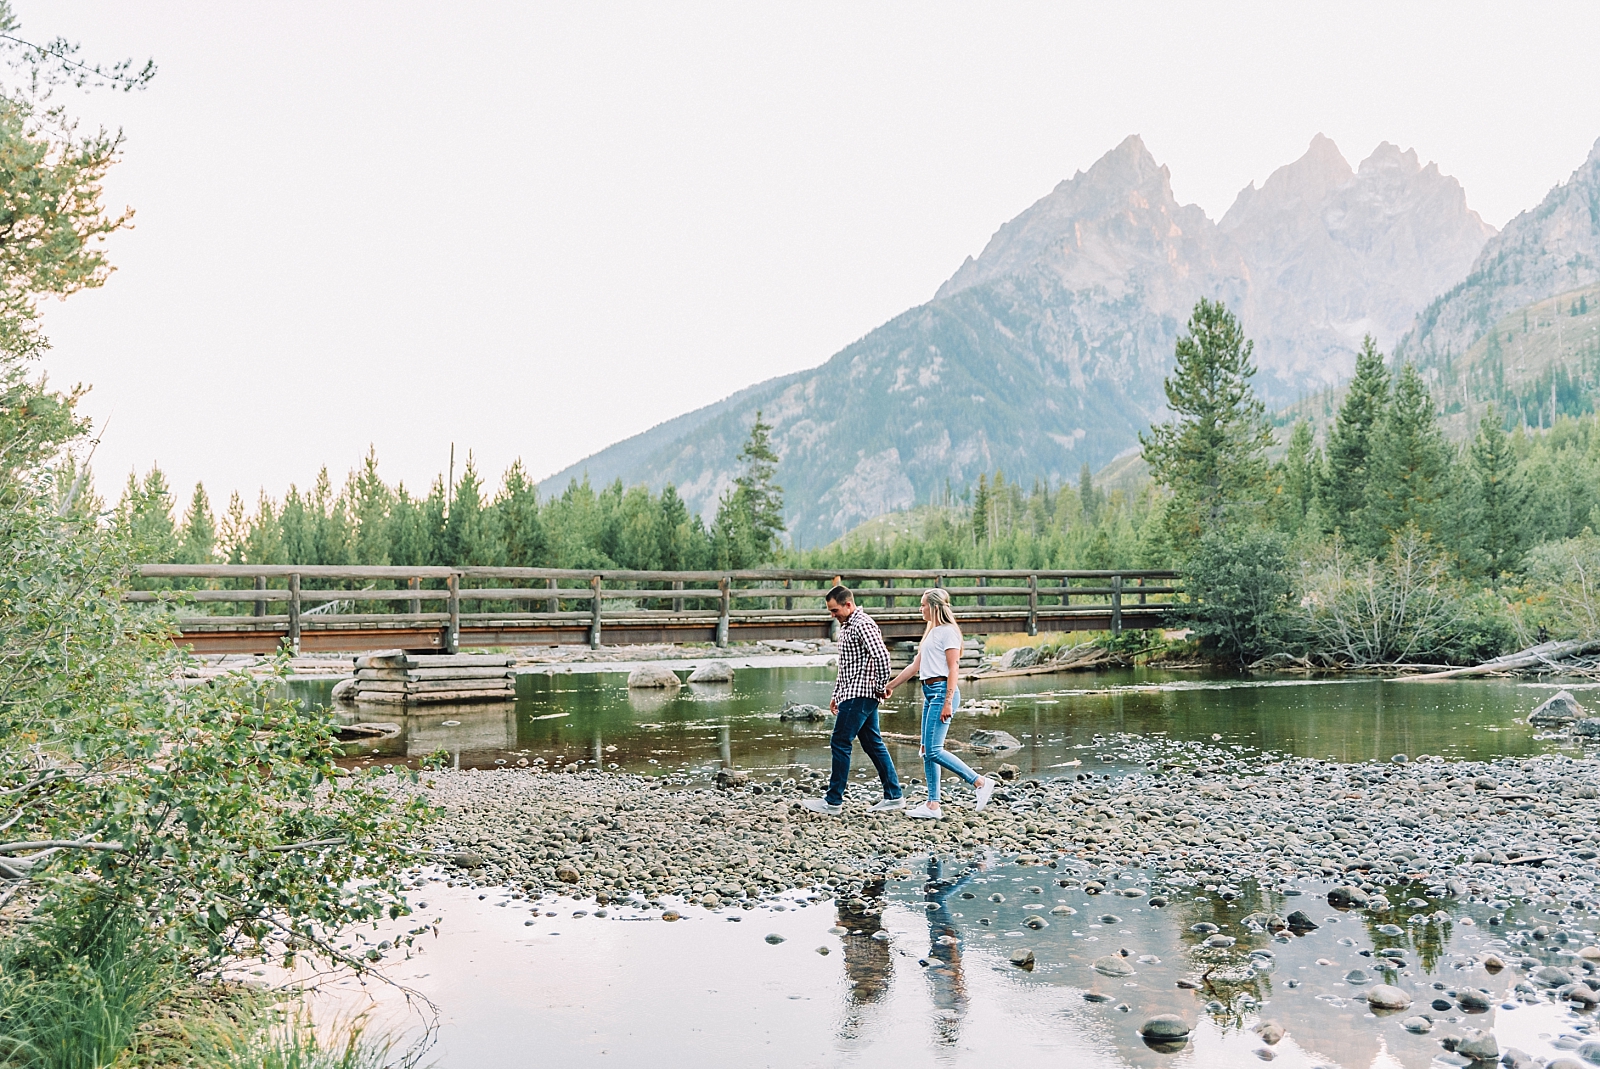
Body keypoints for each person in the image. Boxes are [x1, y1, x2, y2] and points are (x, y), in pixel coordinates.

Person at [883, 587, 995, 819]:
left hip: (943, 692)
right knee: (926, 750)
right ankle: (933, 805)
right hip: (930, 692)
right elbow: (915, 667)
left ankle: (980, 782)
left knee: (934, 750)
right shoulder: (931, 633)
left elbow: (954, 667)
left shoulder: (949, 632)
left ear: (934, 607)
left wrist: (947, 702)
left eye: (923, 604)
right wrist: (891, 686)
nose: (920, 608)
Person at [799, 585, 904, 815]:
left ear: (848, 604)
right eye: (830, 611)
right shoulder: (847, 626)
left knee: (840, 741)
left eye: (835, 610)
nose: (832, 615)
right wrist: (836, 695)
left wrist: (879, 687)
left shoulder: (863, 624)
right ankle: (894, 796)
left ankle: (833, 801)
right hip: (851, 694)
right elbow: (846, 667)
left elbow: (882, 656)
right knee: (872, 744)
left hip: (861, 694)